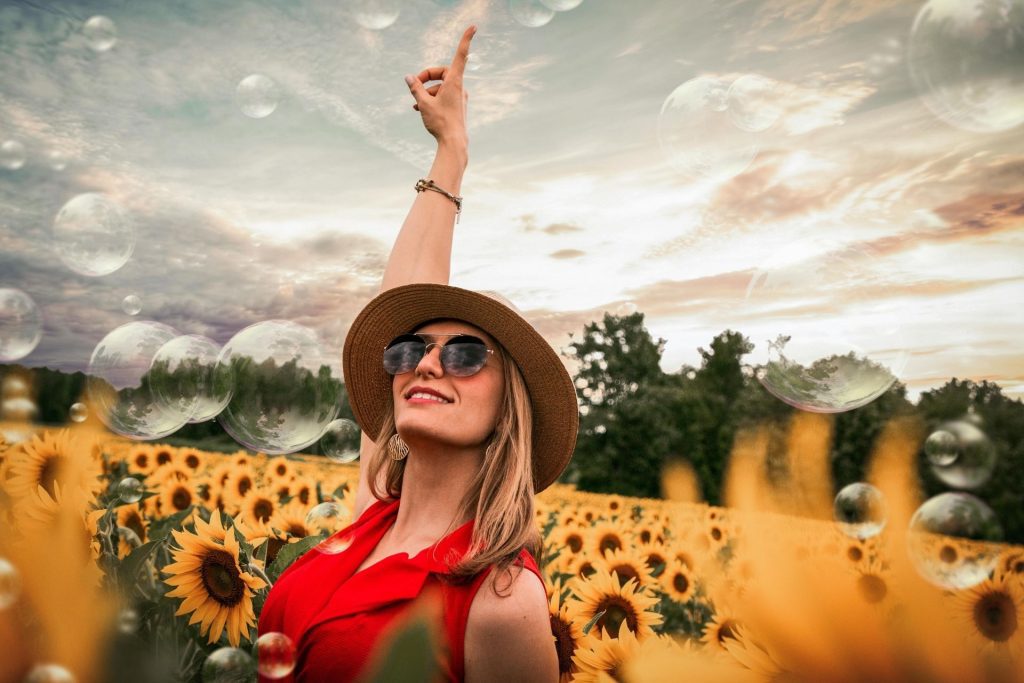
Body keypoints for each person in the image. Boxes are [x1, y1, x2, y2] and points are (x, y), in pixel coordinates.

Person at [258, 25, 578, 683]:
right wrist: (451, 153)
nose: (427, 364)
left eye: (465, 355)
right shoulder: (373, 515)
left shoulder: (501, 597)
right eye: (412, 351)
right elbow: (403, 292)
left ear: (507, 407)